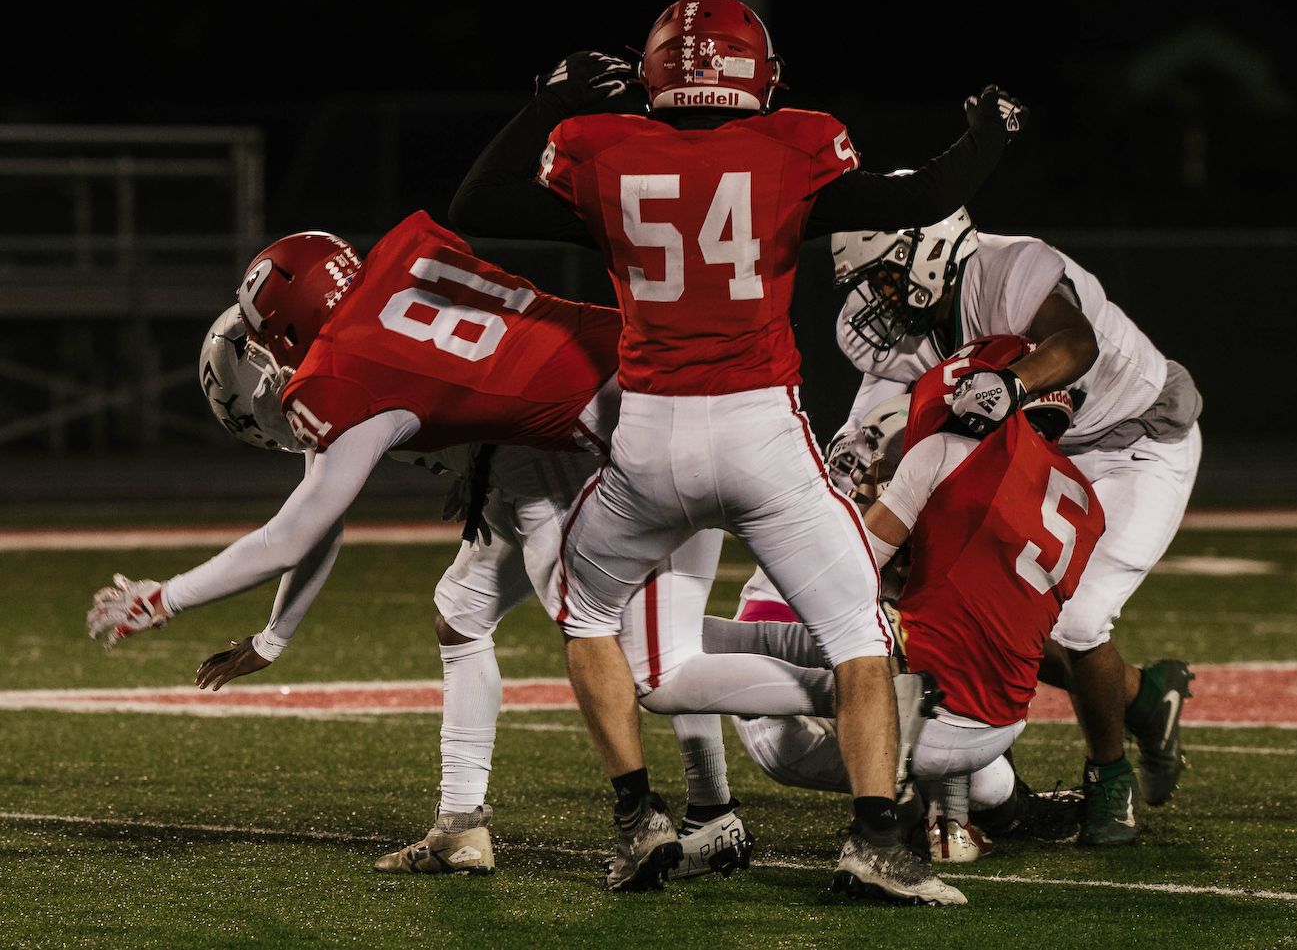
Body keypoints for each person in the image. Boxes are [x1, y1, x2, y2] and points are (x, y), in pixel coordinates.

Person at [449, 0, 1027, 903]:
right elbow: (925, 195)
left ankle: (638, 819)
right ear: (758, 75)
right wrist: (988, 135)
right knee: (860, 635)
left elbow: (476, 201)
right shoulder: (794, 146)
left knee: (588, 617)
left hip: (647, 442)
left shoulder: (604, 152)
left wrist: (550, 101)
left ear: (654, 75)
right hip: (761, 436)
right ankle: (875, 842)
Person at [85, 213, 835, 881]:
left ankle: (668, 805)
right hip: (645, 379)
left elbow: (297, 530)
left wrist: (165, 597)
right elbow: (323, 508)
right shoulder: (402, 257)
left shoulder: (342, 367)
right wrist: (272, 637)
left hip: (577, 449)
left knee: (639, 659)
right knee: (473, 614)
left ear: (287, 332)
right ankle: (490, 824)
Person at [826, 206, 1200, 845]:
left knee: (1076, 622)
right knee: (956, 598)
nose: (877, 297)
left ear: (927, 256)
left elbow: (1075, 344)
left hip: (1136, 439)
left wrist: (1012, 384)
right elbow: (870, 424)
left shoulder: (1007, 268)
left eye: (885, 277)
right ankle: (1139, 695)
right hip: (1043, 448)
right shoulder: (904, 329)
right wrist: (851, 458)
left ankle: (1108, 773)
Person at [720, 339, 1099, 862]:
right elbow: (842, 587)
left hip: (848, 658)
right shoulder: (1063, 495)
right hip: (796, 661)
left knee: (971, 744)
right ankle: (900, 807)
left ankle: (923, 810)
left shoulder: (942, 453)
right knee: (920, 665)